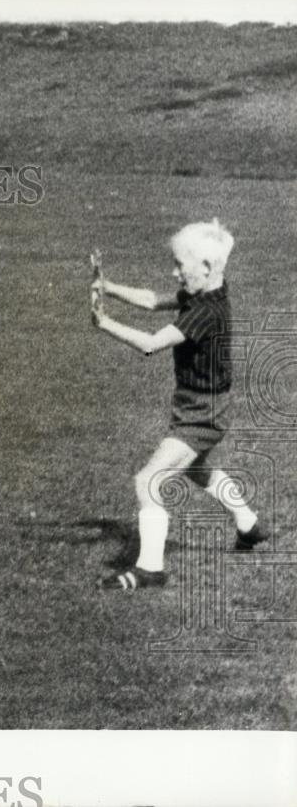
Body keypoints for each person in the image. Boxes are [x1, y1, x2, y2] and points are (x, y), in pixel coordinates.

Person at [90, 219, 269, 590]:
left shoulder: (205, 312)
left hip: (203, 413)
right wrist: (107, 286)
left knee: (148, 480)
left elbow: (151, 343)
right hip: (201, 406)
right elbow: (153, 300)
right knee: (196, 469)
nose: (173, 272)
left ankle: (151, 568)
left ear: (205, 267)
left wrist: (105, 323)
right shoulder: (206, 295)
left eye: (178, 265)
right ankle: (249, 525)